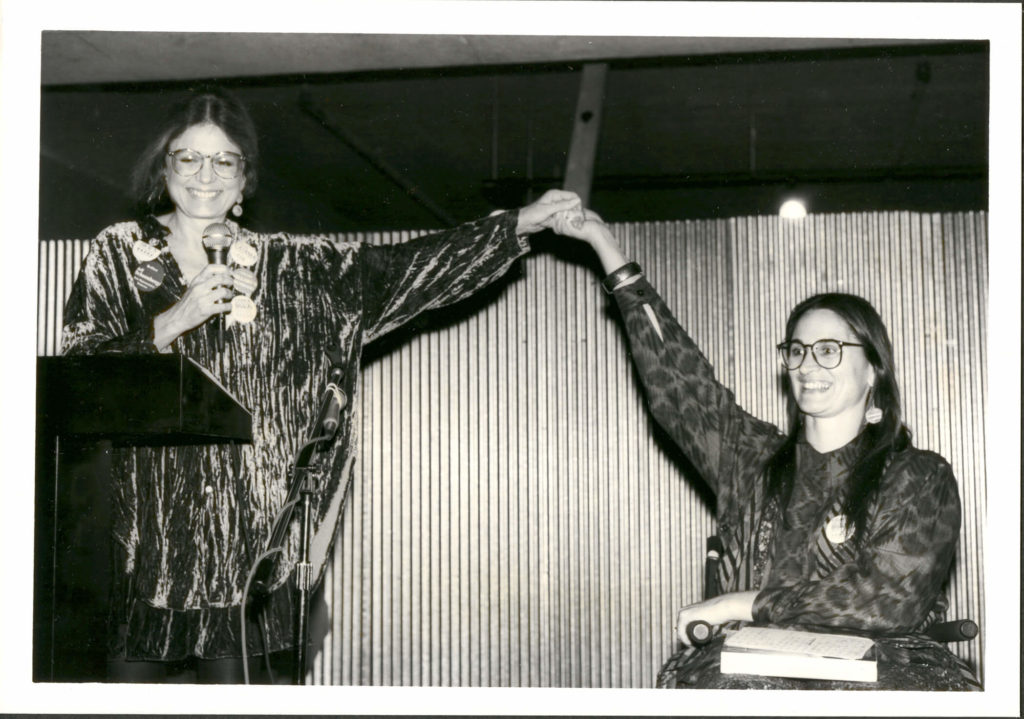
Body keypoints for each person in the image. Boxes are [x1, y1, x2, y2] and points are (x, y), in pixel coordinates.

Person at [60, 87, 584, 684]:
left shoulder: (296, 269)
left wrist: (517, 224)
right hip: (143, 551)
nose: (205, 175)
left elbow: (403, 271)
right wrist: (177, 317)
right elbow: (82, 376)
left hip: (249, 557)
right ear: (164, 166)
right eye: (188, 158)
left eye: (224, 160)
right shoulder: (116, 254)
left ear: (243, 179)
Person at [555, 211, 979, 690]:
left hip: (876, 680)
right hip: (748, 676)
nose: (807, 363)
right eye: (796, 350)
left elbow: (883, 601)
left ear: (874, 370)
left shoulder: (919, 476)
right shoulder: (751, 460)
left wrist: (740, 604)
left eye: (829, 349)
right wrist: (603, 243)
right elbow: (678, 382)